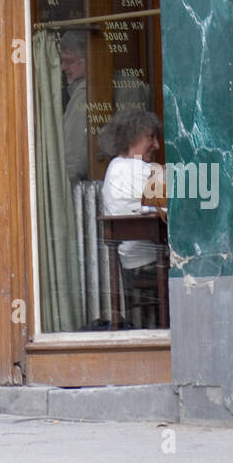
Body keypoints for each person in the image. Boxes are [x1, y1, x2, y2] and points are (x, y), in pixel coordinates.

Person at [98, 109, 165, 318]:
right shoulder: (129, 169)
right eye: (151, 138)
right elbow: (187, 195)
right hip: (149, 263)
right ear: (132, 137)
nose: (157, 145)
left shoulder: (117, 167)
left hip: (137, 262)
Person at [59, 30, 89, 185]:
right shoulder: (78, 91)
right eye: (62, 61)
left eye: (69, 61)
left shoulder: (84, 94)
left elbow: (74, 158)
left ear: (88, 60)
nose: (63, 67)